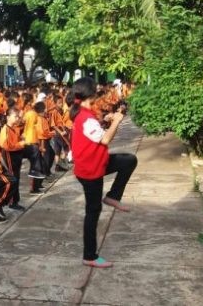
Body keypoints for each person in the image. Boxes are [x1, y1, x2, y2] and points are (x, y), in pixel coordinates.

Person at [68, 77, 138, 268]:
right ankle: (89, 255)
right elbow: (105, 140)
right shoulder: (85, 117)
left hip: (96, 163)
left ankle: (113, 196)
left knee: (128, 160)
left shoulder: (83, 113)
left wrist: (106, 120)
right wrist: (116, 121)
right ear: (90, 94)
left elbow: (95, 131)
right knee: (93, 212)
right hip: (91, 170)